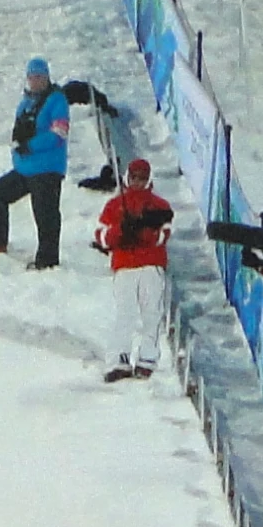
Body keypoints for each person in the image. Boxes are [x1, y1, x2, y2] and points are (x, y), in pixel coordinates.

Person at [0, 57, 72, 269]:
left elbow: (59, 133)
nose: (36, 81)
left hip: (48, 168)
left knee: (45, 214)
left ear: (47, 77)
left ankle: (47, 260)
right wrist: (18, 146)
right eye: (32, 77)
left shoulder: (57, 100)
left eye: (40, 77)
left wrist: (30, 145)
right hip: (25, 168)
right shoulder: (25, 103)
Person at [95, 158, 173, 380]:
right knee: (124, 313)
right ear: (127, 177)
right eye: (134, 177)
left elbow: (163, 236)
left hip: (151, 266)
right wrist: (120, 231)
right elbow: (101, 236)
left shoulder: (160, 206)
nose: (137, 182)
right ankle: (119, 359)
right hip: (124, 266)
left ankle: (148, 358)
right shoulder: (115, 205)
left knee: (152, 314)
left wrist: (142, 231)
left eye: (142, 178)